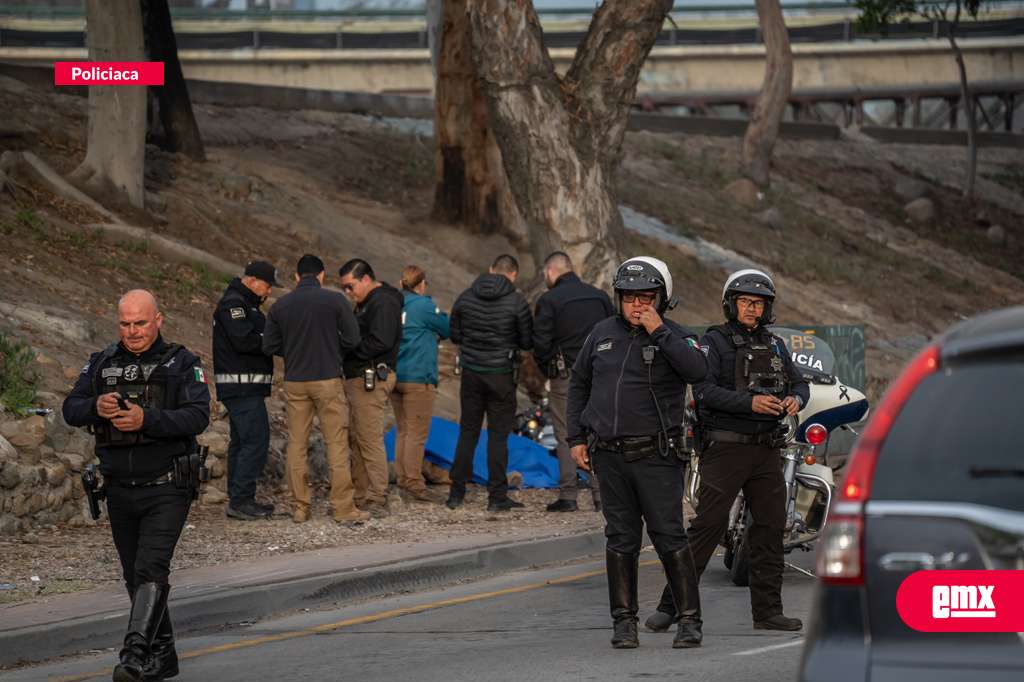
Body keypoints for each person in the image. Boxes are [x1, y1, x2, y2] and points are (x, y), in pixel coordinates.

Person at [644, 268, 810, 634]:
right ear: (731, 304)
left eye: (759, 304)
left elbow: (799, 382)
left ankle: (768, 613)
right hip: (726, 448)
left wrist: (797, 398)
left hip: (767, 451)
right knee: (706, 527)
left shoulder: (776, 344)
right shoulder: (714, 342)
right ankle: (670, 607)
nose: (752, 309)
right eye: (745, 302)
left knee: (769, 530)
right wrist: (750, 404)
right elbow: (703, 391)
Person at [63, 290, 210, 682]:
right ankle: (163, 657)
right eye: (125, 324)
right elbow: (70, 409)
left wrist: (147, 419)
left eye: (140, 323)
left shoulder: (183, 363)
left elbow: (198, 417)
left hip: (167, 485)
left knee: (150, 568)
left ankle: (132, 657)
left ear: (158, 320)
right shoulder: (102, 363)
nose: (133, 331)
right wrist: (97, 406)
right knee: (135, 575)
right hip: (118, 487)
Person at [567, 256, 707, 650]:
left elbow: (697, 371)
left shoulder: (676, 336)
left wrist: (659, 332)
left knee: (669, 537)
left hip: (657, 457)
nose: (637, 305)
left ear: (663, 299)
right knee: (620, 540)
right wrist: (575, 437)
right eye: (629, 297)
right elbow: (579, 384)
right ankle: (623, 623)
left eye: (646, 297)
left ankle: (690, 621)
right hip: (608, 456)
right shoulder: (601, 334)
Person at [262, 254, 367, 526]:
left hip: (296, 380)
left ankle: (300, 507)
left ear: (297, 277)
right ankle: (343, 509)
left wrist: (293, 352)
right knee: (336, 443)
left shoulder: (281, 306)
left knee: (296, 444)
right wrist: (334, 350)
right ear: (322, 276)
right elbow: (354, 339)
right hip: (328, 379)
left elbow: (269, 346)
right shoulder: (335, 301)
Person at [446, 254, 533, 512]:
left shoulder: (466, 296)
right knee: (498, 437)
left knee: (468, 432)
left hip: (471, 372)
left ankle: (456, 493)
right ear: (513, 274)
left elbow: (455, 333)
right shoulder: (517, 301)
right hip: (501, 374)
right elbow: (527, 341)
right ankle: (496, 496)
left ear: (491, 269)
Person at [532, 251, 613, 513]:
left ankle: (568, 495)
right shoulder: (599, 296)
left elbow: (541, 343)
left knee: (567, 432)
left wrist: (548, 370)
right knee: (598, 431)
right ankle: (602, 496)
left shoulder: (549, 299)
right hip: (601, 374)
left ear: (552, 271)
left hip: (566, 375)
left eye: (545, 273)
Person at [337, 258, 404, 517]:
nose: (348, 292)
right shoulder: (369, 303)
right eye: (344, 288)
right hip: (363, 375)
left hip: (371, 376)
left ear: (366, 279)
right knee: (359, 436)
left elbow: (381, 340)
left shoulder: (382, 301)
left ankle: (377, 496)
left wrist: (348, 350)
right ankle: (363, 493)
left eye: (350, 286)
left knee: (368, 436)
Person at [212, 260, 278, 521]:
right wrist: (271, 341)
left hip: (244, 387)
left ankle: (238, 499)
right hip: (241, 387)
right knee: (254, 441)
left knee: (242, 443)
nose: (269, 290)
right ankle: (241, 501)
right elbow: (244, 339)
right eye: (268, 284)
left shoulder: (245, 303)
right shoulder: (234, 304)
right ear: (251, 280)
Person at [393, 265, 450, 502]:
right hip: (419, 377)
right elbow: (447, 328)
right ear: (421, 284)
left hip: (397, 376)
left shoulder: (395, 304)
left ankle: (403, 477)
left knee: (403, 431)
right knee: (416, 434)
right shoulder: (424, 305)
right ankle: (413, 483)